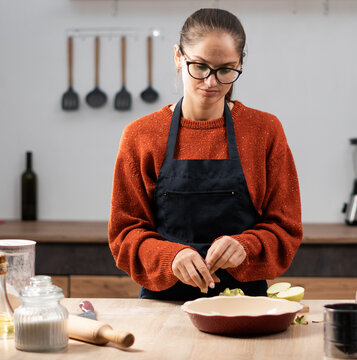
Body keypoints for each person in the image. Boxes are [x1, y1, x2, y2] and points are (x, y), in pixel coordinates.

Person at [108, 8, 303, 300]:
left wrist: (246, 245)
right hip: (164, 305)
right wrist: (169, 257)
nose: (211, 82)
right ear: (178, 57)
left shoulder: (264, 130)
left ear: (239, 65)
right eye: (199, 67)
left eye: (225, 70)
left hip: (246, 304)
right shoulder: (141, 135)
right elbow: (125, 233)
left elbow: (285, 227)